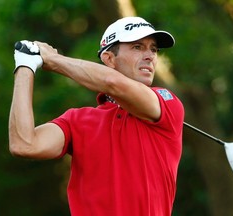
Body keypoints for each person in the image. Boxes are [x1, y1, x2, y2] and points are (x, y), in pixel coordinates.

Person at [9, 16, 184, 216]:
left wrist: (54, 59)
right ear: (109, 59)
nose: (150, 56)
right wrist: (25, 66)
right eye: (138, 47)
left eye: (153, 49)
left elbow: (112, 83)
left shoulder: (167, 103)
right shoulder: (76, 120)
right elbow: (24, 144)